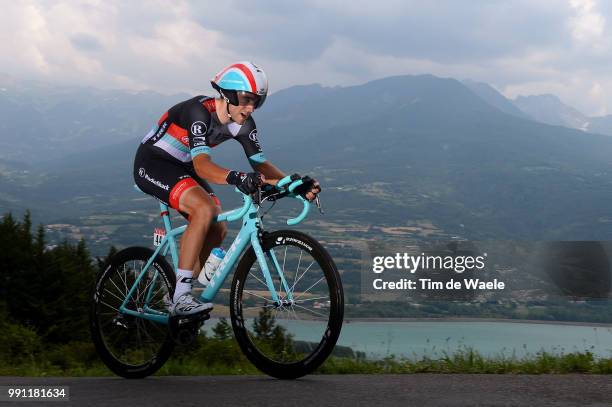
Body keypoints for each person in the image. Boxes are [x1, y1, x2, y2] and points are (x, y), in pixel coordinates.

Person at [133, 61, 321, 316]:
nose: (251, 107)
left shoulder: (244, 123)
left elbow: (261, 164)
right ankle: (181, 296)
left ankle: (173, 296)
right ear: (227, 95)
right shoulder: (199, 113)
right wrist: (237, 177)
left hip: (183, 165)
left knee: (218, 227)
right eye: (246, 99)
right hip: (153, 162)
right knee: (203, 209)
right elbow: (202, 165)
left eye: (257, 101)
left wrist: (292, 184)